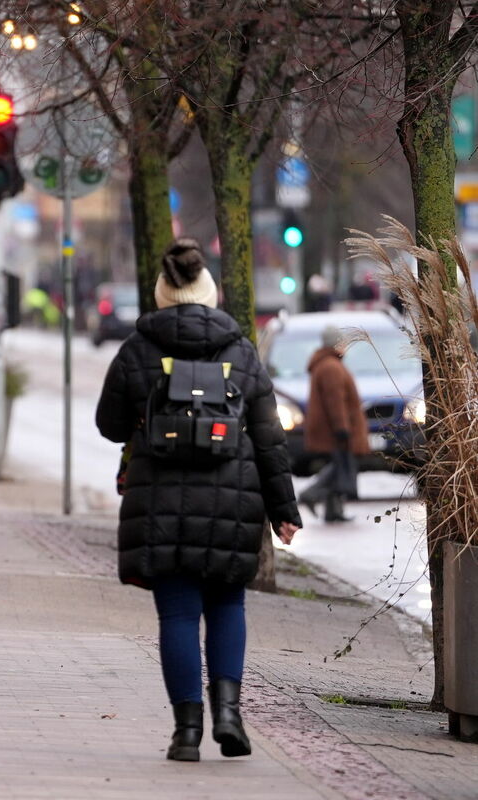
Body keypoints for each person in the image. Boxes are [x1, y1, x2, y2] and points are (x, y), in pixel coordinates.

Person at [95, 238, 302, 762]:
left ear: (163, 294)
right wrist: (284, 511)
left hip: (160, 503)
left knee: (179, 618)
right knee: (229, 605)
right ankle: (229, 715)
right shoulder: (241, 351)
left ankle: (187, 731)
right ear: (210, 294)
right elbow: (269, 438)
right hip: (235, 501)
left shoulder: (137, 349)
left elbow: (108, 425)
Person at [299, 326, 370, 522]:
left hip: (329, 429)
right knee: (339, 467)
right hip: (335, 430)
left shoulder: (326, 364)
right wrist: (342, 428)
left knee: (337, 464)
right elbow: (335, 401)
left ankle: (333, 511)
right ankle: (310, 494)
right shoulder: (331, 367)